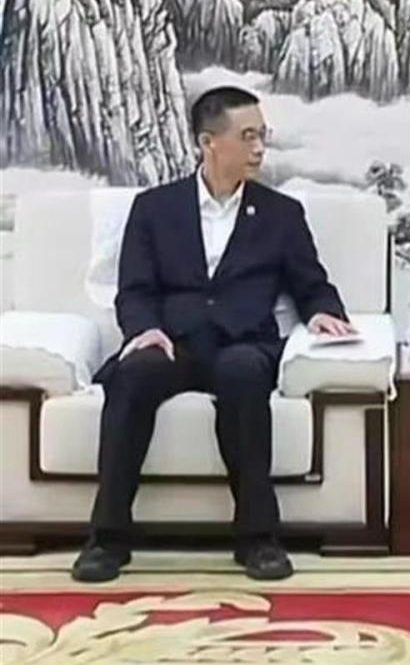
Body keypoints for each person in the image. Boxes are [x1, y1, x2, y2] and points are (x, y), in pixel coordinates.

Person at [72, 86, 357, 583]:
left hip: (244, 342)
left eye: (262, 135)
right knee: (133, 375)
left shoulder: (281, 214)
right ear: (209, 142)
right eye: (247, 137)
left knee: (243, 373)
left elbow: (311, 284)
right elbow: (134, 290)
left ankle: (258, 539)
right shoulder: (154, 208)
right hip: (173, 342)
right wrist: (145, 330)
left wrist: (323, 314)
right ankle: (107, 539)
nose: (259, 148)